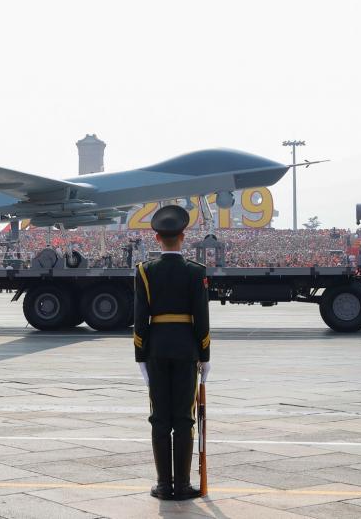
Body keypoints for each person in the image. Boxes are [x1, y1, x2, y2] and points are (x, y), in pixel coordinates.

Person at [133, 205, 211, 500]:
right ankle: (183, 485)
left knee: (160, 418)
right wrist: (205, 354)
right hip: (187, 350)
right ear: (183, 236)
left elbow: (140, 318)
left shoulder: (145, 272)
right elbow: (201, 318)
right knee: (184, 418)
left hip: (156, 350)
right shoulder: (195, 271)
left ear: (157, 238)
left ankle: (164, 485)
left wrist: (141, 357)